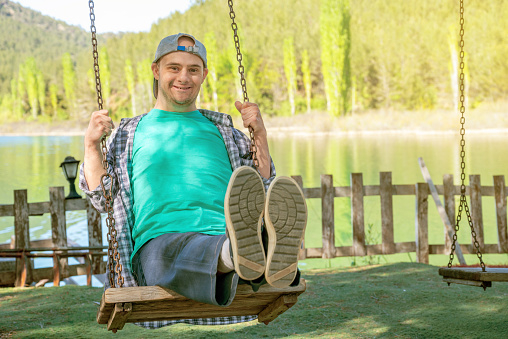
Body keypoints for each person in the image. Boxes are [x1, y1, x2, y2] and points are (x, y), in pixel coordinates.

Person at [79, 33, 307, 326]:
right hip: (159, 245)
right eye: (174, 67)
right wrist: (90, 146)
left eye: (193, 69)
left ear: (204, 75)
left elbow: (262, 189)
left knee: (231, 239)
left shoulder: (228, 134)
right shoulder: (128, 134)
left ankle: (255, 253)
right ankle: (242, 255)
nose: (184, 77)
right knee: (185, 250)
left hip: (225, 230)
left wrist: (260, 135)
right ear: (156, 70)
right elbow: (102, 198)